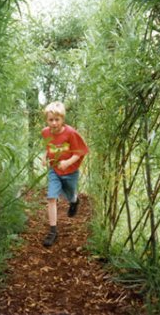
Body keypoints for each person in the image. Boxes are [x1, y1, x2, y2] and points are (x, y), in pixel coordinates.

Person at [41, 101, 88, 247]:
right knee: (51, 197)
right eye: (51, 120)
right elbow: (48, 147)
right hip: (54, 170)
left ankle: (74, 201)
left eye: (57, 120)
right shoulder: (45, 132)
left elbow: (80, 152)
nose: (54, 123)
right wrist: (44, 157)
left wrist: (67, 162)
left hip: (70, 171)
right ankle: (53, 231)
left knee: (70, 194)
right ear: (46, 120)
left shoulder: (71, 133)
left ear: (62, 119)